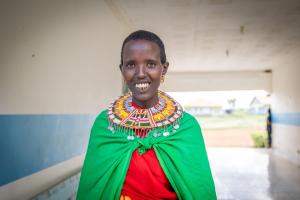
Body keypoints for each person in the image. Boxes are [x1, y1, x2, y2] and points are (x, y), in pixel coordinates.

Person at [77, 30, 216, 200]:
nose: (140, 73)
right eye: (131, 65)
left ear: (163, 69)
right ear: (122, 70)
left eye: (150, 64)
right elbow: (91, 190)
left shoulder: (187, 127)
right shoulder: (105, 124)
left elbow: (200, 191)